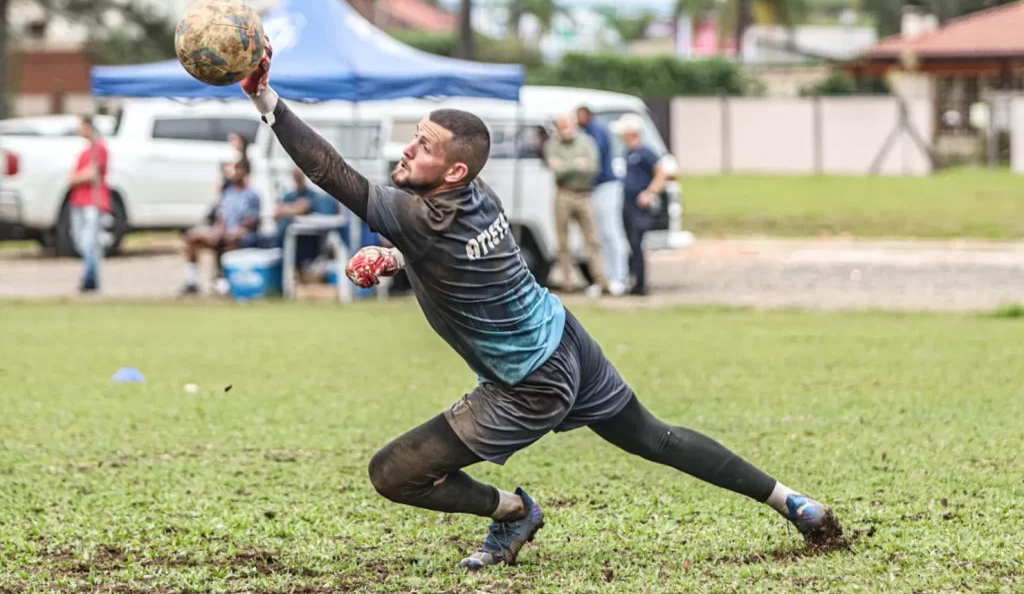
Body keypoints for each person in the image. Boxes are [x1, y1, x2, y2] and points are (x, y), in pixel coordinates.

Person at [238, 44, 842, 571]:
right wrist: (396, 261)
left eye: (423, 147)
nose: (407, 151)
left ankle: (514, 511)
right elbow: (462, 262)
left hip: (528, 383)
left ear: (451, 170)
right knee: (655, 438)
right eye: (414, 138)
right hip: (565, 339)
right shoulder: (476, 192)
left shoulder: (417, 214)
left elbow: (328, 170)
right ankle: (794, 502)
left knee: (392, 474)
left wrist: (267, 98)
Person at [543, 115, 607, 297]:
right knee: (562, 239)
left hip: (584, 194)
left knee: (592, 239)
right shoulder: (552, 145)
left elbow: (592, 168)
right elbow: (556, 171)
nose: (565, 131)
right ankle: (567, 281)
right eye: (561, 127)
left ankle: (601, 280)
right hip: (563, 193)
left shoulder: (586, 142)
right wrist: (576, 164)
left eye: (568, 126)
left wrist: (566, 165)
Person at [180, 159, 261, 295]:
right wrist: (219, 229)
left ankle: (225, 282)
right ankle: (191, 280)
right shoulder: (227, 193)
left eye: (238, 169)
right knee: (193, 237)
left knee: (232, 239)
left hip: (241, 233)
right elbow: (221, 215)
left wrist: (237, 230)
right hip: (223, 231)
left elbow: (252, 219)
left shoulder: (252, 195)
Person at [611, 114, 666, 297]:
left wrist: (650, 193)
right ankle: (632, 281)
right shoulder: (628, 153)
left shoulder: (646, 153)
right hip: (627, 202)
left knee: (637, 242)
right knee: (629, 243)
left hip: (640, 205)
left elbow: (661, 174)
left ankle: (641, 284)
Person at [576, 105, 629, 297]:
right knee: (599, 235)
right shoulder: (586, 132)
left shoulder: (596, 132)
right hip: (596, 188)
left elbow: (593, 158)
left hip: (607, 185)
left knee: (611, 232)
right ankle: (605, 278)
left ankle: (620, 277)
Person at [67, 115, 112, 293]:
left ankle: (90, 279)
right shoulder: (85, 152)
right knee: (82, 242)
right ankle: (89, 276)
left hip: (93, 201)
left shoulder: (99, 148)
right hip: (79, 200)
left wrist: (76, 178)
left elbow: (92, 174)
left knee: (90, 241)